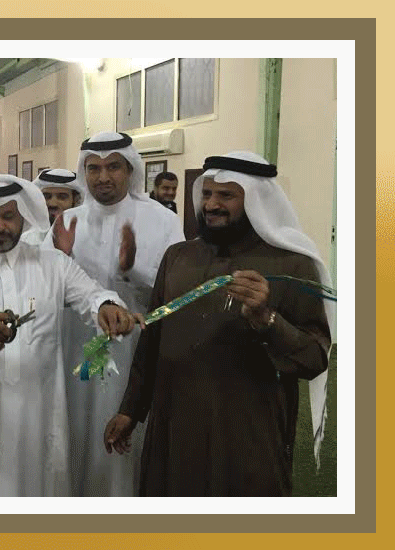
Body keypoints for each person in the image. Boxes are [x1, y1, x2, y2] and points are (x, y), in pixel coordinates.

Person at [104, 151, 332, 496]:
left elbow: (314, 357)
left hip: (246, 430)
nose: (211, 205)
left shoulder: (293, 265)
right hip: (174, 424)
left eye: (226, 195)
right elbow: (153, 341)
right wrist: (130, 410)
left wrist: (267, 319)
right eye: (207, 194)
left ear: (255, 200)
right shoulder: (178, 257)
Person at [0, 174, 143, 497]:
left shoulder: (52, 264)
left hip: (38, 409)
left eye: (8, 216)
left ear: (23, 215)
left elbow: (90, 294)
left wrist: (107, 306)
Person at [48, 131, 184, 497]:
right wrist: (62, 259)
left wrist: (131, 270)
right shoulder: (67, 220)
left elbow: (177, 293)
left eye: (113, 167)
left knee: (127, 443)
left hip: (134, 352)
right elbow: (45, 287)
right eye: (93, 168)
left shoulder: (162, 220)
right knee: (76, 432)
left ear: (131, 170)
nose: (103, 177)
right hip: (75, 348)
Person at [21, 168, 82, 245]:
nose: (53, 204)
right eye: (47, 197)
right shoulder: (26, 239)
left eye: (62, 197)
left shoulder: (87, 238)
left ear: (75, 201)